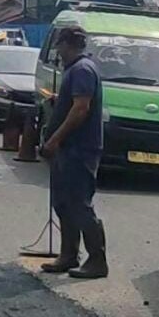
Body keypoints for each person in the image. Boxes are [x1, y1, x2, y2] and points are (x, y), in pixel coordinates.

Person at [39, 26, 108, 279]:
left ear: (68, 44)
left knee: (80, 204)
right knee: (63, 203)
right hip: (68, 149)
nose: (57, 50)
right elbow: (73, 104)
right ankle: (68, 255)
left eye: (59, 45)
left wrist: (55, 140)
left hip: (79, 149)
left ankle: (97, 260)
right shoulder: (75, 71)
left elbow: (81, 109)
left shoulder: (82, 70)